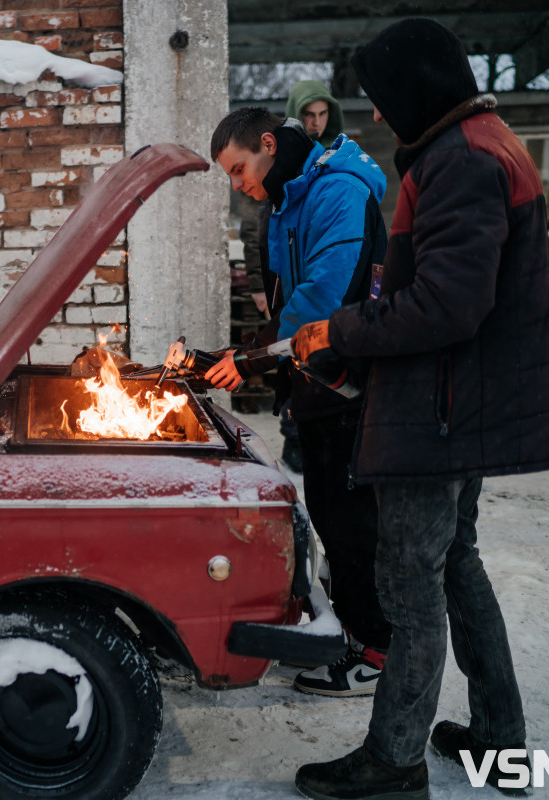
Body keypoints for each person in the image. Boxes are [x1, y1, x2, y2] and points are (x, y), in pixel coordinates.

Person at [292, 17, 549, 800]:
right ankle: (499, 737)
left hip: (440, 410)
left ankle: (393, 759)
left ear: (415, 89)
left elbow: (445, 304)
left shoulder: (460, 161)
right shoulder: (481, 143)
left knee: (409, 582)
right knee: (454, 566)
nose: (374, 115)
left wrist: (337, 328)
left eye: (380, 97)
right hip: (463, 403)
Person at [207, 109, 393, 697]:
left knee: (353, 523)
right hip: (316, 379)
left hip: (350, 380)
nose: (238, 183)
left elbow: (322, 295)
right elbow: (286, 293)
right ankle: (348, 635)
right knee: (332, 517)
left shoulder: (336, 189)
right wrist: (262, 351)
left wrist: (256, 356)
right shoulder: (289, 195)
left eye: (239, 169)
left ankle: (378, 653)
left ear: (268, 144)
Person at [271, 79, 347, 472]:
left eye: (322, 114)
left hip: (322, 306)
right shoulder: (288, 170)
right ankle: (294, 442)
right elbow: (265, 235)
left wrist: (262, 351)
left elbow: (326, 275)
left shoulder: (338, 179)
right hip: (292, 293)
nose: (316, 123)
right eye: (308, 115)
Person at [287, 79, 344, 144]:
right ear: (294, 113)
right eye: (309, 114)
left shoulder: (342, 150)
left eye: (322, 113)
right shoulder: (277, 150)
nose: (317, 123)